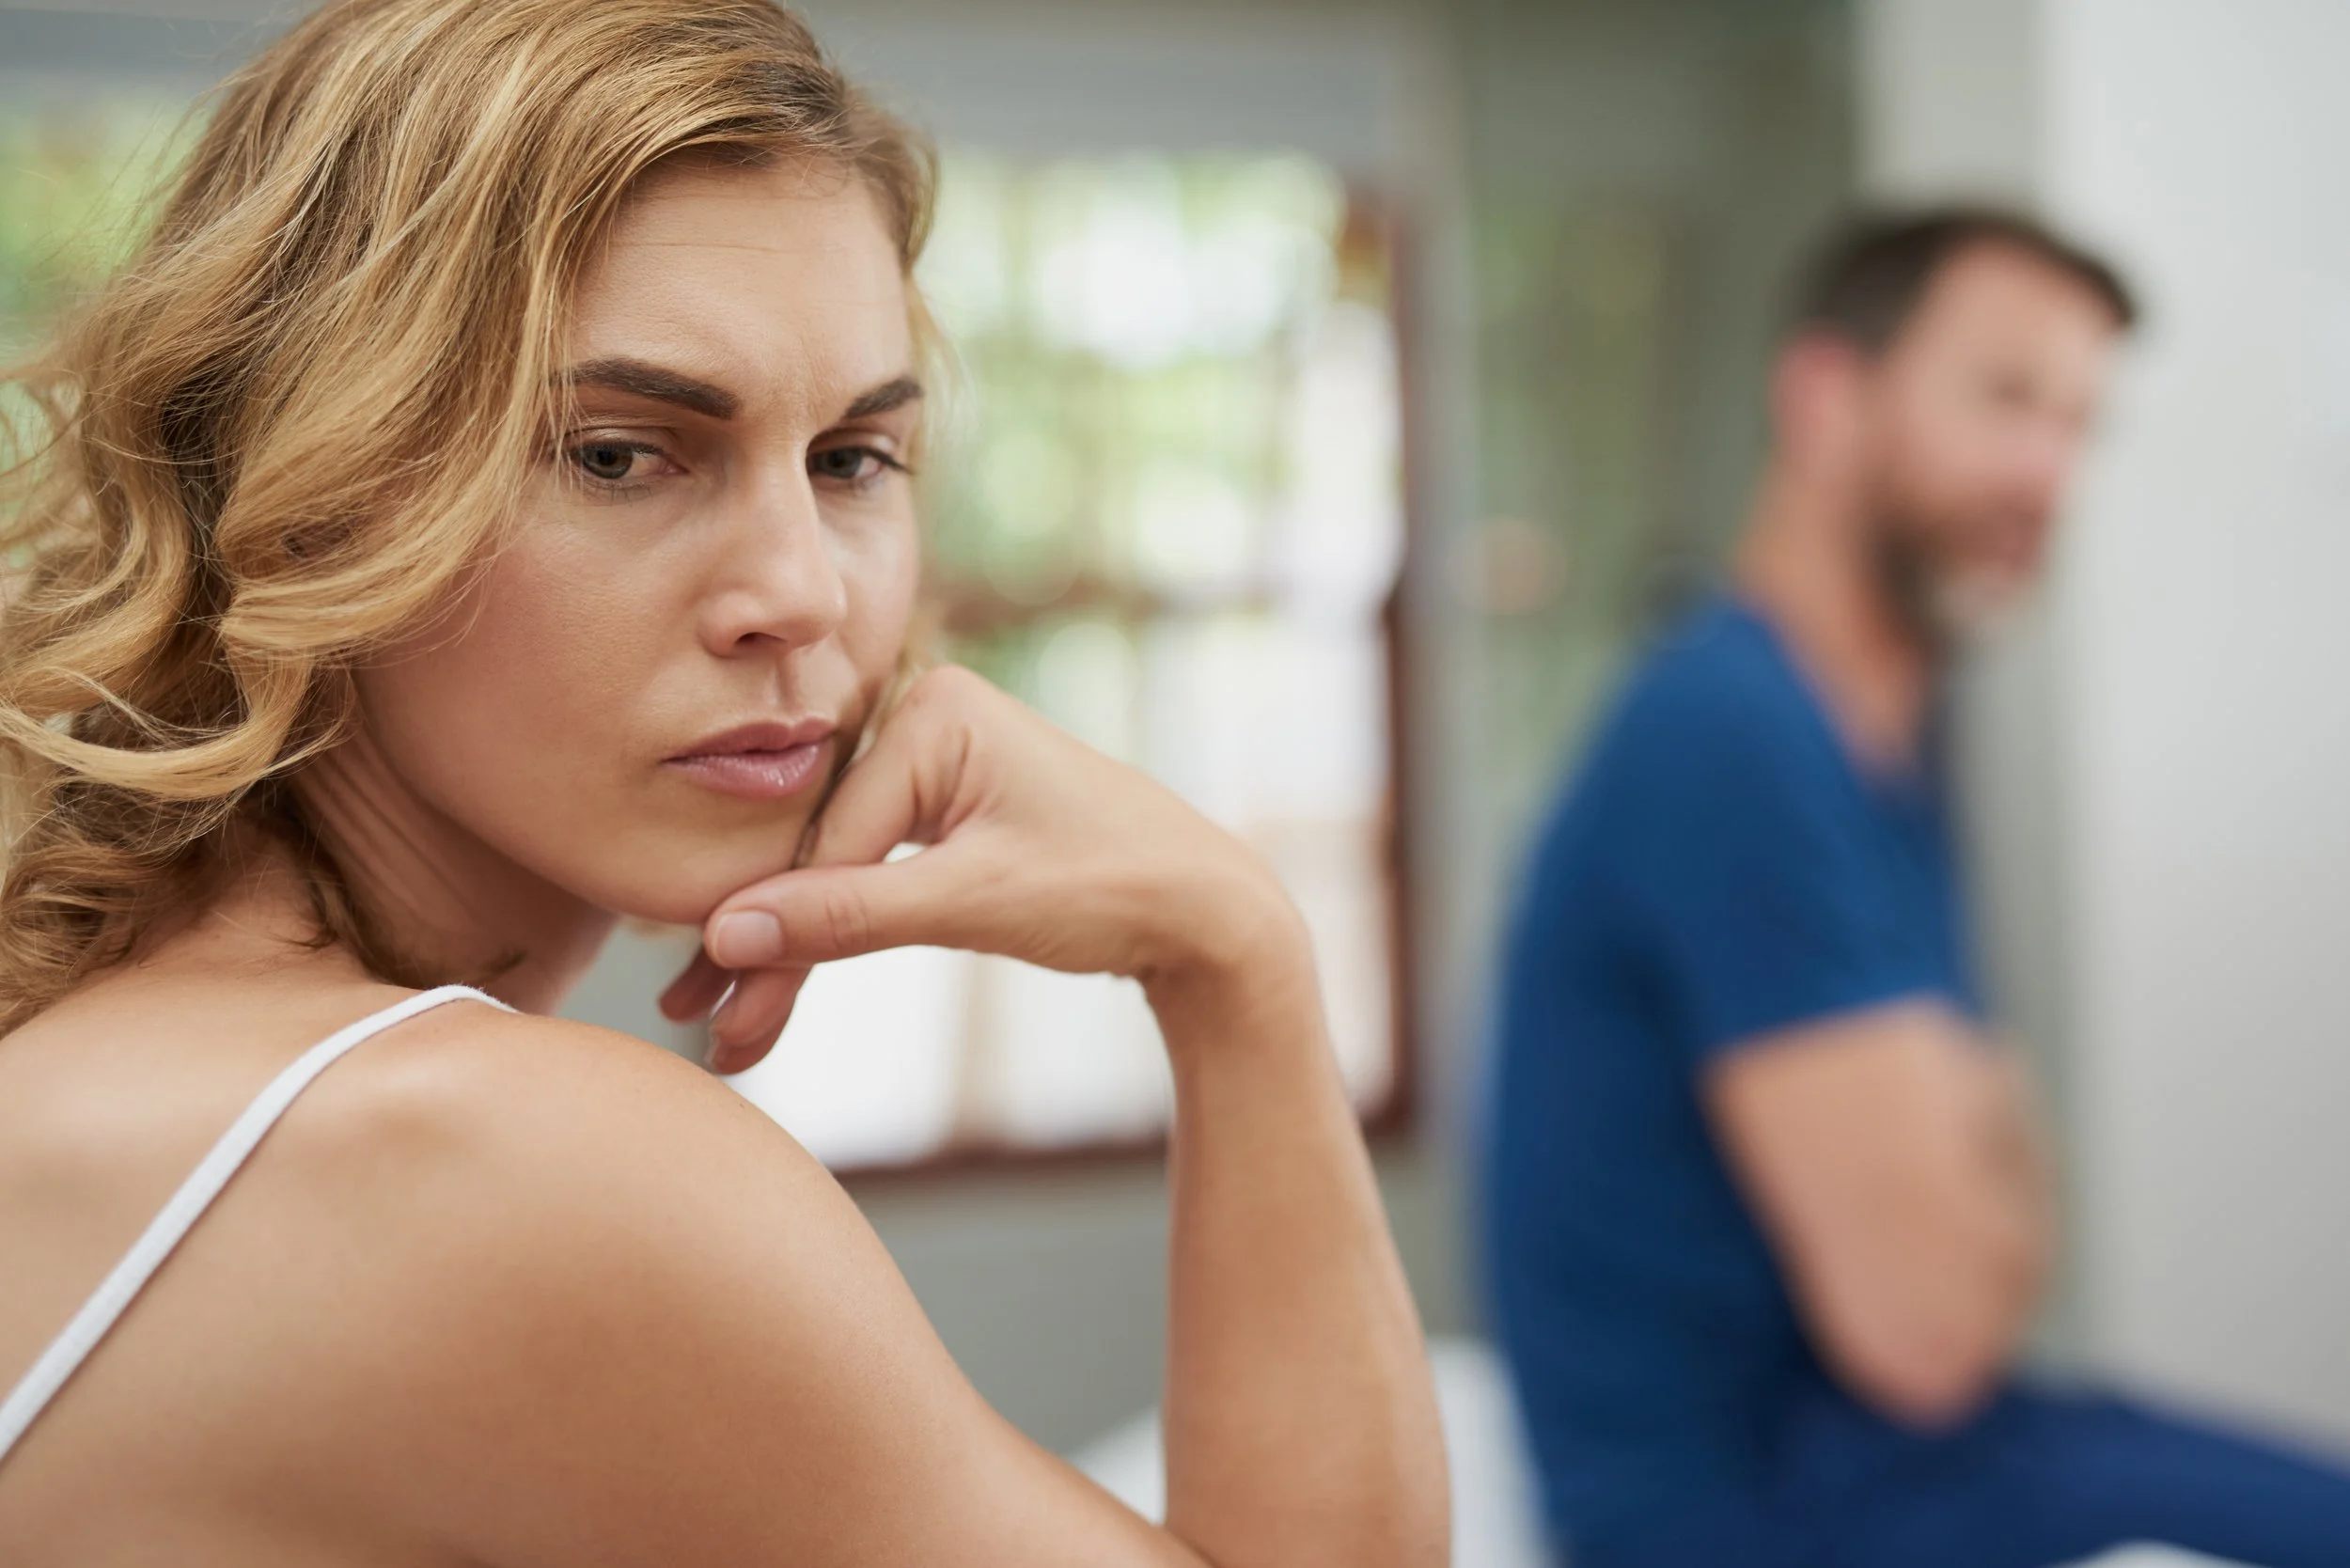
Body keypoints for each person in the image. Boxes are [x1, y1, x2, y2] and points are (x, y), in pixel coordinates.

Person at [0, 2, 1450, 1562]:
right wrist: (1238, 962)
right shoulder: (506, 1165)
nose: (802, 593)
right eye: (622, 454)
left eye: (851, 461)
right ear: (306, 478)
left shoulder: (106, 1043)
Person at [1480, 209, 2350, 1568]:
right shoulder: (1733, 737)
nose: (2049, 473)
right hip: (1767, 1517)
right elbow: (1936, 1327)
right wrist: (1980, 1118)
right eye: (2007, 400)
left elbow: (1972, 1247)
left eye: (2080, 425)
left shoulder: (1877, 738)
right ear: (1827, 399)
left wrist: (1968, 1150)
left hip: (1920, 1463)